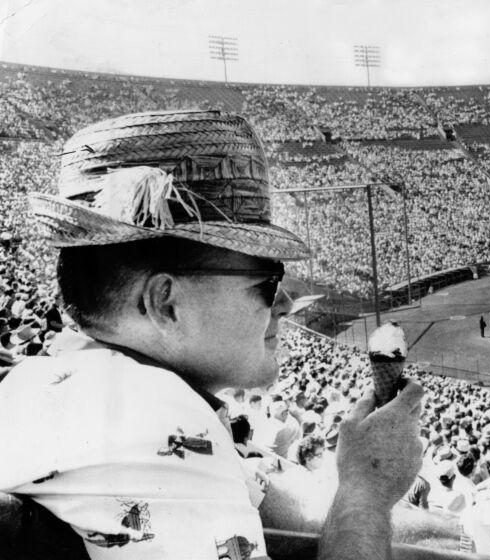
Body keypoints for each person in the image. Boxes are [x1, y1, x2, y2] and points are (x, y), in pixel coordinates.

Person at [0, 110, 425, 560]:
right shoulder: (153, 418)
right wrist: (368, 486)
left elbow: (295, 514)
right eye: (267, 279)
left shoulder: (74, 382)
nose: (283, 303)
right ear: (165, 303)